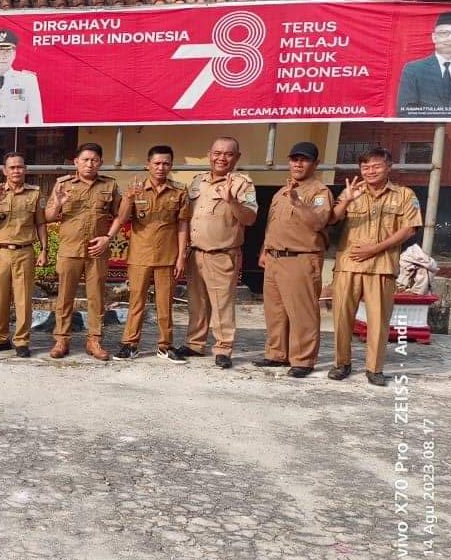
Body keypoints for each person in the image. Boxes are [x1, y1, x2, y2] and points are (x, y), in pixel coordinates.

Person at [328, 148, 423, 386]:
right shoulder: (352, 191)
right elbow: (331, 219)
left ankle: (374, 368)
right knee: (341, 318)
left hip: (381, 266)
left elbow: (409, 229)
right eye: (365, 167)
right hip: (348, 264)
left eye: (376, 166)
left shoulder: (404, 195)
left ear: (389, 167)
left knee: (379, 321)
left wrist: (375, 249)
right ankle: (341, 363)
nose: (370, 171)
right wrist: (346, 200)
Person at [174, 137, 258, 369]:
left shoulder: (243, 184)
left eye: (228, 154)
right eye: (217, 153)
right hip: (195, 253)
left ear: (237, 157)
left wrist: (232, 202)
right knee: (197, 302)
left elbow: (250, 218)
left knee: (222, 305)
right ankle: (195, 343)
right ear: (209, 154)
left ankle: (223, 348)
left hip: (222, 254)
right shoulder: (197, 181)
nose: (221, 158)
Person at [254, 142, 333, 378]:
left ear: (315, 164)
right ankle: (277, 354)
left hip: (301, 257)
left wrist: (298, 203)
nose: (298, 164)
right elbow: (273, 224)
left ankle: (303, 360)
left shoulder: (319, 192)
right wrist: (265, 249)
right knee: (275, 311)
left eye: (304, 160)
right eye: (294, 159)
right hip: (275, 257)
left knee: (302, 312)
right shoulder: (281, 192)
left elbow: (319, 222)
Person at [108, 145, 190, 363]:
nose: (161, 167)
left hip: (168, 256)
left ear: (171, 166)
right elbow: (122, 218)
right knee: (136, 302)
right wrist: (128, 198)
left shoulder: (179, 191)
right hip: (140, 256)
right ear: (148, 165)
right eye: (157, 163)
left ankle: (165, 345)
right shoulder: (136, 189)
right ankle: (130, 344)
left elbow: (183, 225)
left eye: (165, 164)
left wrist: (181, 256)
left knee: (165, 303)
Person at [44, 143, 120, 361]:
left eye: (94, 160)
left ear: (101, 163)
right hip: (70, 249)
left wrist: (108, 238)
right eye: (85, 160)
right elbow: (48, 216)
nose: (89, 164)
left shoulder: (110, 185)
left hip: (97, 250)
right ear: (76, 162)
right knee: (64, 297)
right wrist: (58, 204)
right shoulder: (63, 184)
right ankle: (62, 339)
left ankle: (94, 340)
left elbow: (120, 215)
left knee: (96, 297)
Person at [0, 151, 47, 358]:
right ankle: (0, 338)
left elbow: (41, 223)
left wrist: (44, 250)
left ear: (25, 169)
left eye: (20, 167)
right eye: (12, 167)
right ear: (4, 170)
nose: (16, 171)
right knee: (0, 297)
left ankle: (22, 341)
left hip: (25, 251)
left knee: (23, 299)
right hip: (0, 251)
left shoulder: (35, 193)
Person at [396, 12, 451, 116]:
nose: (450, 38)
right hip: (426, 126)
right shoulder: (413, 70)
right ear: (434, 37)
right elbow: (405, 111)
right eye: (444, 33)